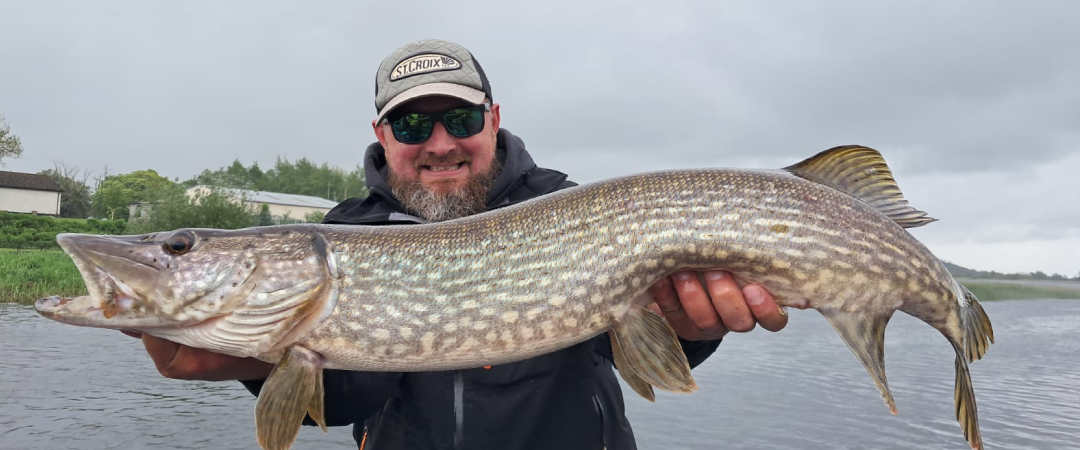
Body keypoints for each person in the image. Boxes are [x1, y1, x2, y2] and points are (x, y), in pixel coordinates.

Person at [126, 39, 789, 449]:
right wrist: (257, 364)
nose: (440, 142)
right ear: (383, 136)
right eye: (413, 123)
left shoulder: (567, 205)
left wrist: (693, 328)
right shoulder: (345, 231)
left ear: (494, 121)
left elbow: (641, 346)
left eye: (461, 119)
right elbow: (349, 397)